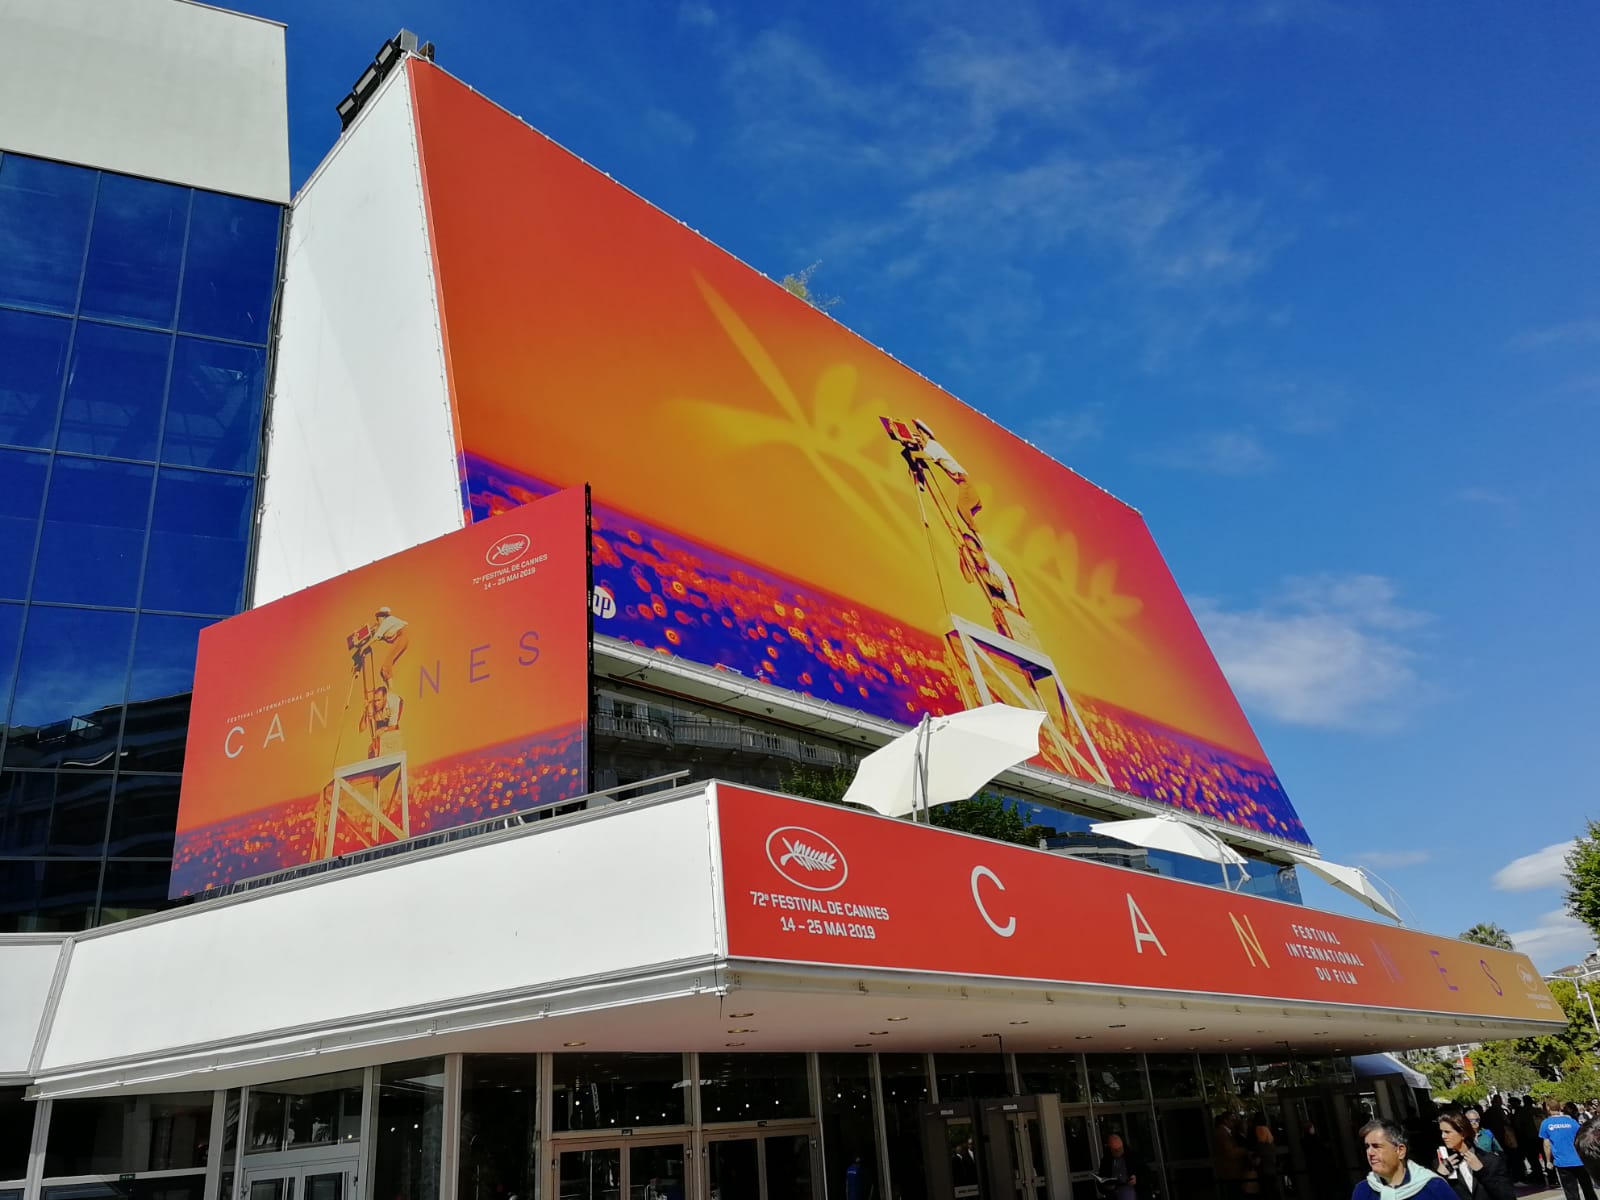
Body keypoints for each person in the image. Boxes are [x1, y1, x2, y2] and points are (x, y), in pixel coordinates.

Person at [1352, 1119, 1455, 1200]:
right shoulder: (1363, 1191)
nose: (1370, 1152)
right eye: (1367, 1147)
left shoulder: (1433, 1187)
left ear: (1400, 1151)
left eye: (1377, 1146)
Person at [1434, 1111, 1513, 1200]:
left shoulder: (1492, 1161)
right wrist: (1440, 1176)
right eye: (1441, 1132)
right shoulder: (1442, 1164)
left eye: (1447, 1132)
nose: (1443, 1136)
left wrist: (1482, 1172)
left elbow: (1507, 1196)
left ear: (1463, 1134)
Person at [1544, 1099, 1598, 1200]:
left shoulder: (1546, 1123)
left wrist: (1548, 1161)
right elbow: (1581, 1137)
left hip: (1562, 1162)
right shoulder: (1571, 1121)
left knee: (1570, 1191)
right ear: (1560, 1108)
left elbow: (1547, 1144)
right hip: (1579, 1160)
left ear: (1548, 1108)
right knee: (1587, 1188)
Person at [1518, 1095, 1551, 1187]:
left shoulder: (1522, 1112)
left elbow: (1518, 1126)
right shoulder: (1538, 1110)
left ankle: (1539, 1178)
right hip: (1541, 1136)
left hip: (1529, 1138)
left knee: (1534, 1160)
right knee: (1546, 1157)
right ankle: (1552, 1177)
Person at [371, 605, 410, 686]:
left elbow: (376, 637)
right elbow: (375, 635)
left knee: (386, 666)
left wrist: (364, 647)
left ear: (383, 616)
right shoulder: (387, 626)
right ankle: (388, 689)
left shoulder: (387, 621)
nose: (377, 620)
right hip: (402, 640)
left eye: (378, 618)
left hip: (402, 638)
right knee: (383, 671)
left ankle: (391, 690)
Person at [1099, 1133, 1139, 1200]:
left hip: (1130, 1192)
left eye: (1120, 1148)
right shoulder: (1106, 1161)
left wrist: (1137, 1180)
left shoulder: (1133, 1157)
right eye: (1115, 1150)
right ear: (1110, 1149)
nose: (1118, 1151)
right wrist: (1106, 1187)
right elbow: (1101, 1182)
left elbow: (1147, 1175)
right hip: (1114, 1195)